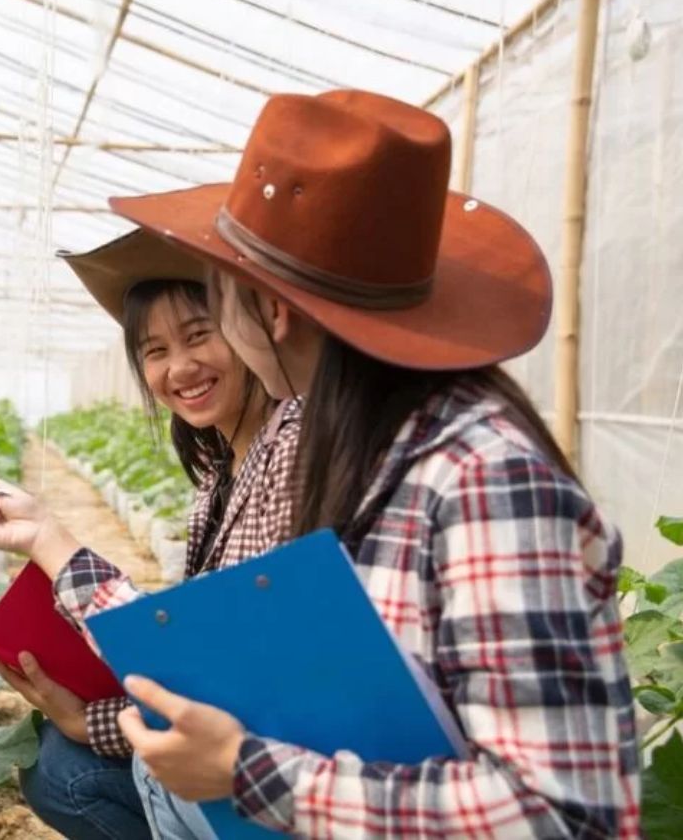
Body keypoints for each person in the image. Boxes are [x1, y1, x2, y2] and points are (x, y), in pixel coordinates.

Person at [78, 89, 638, 838]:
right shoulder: (371, 449)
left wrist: (247, 771)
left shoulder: (485, 480)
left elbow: (557, 814)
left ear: (269, 313)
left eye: (218, 302)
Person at [0, 230, 301, 840]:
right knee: (59, 768)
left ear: (253, 327)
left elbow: (205, 674)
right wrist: (79, 718)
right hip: (243, 738)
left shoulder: (293, 451)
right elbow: (197, 656)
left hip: (279, 770)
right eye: (155, 351)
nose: (180, 368)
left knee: (77, 768)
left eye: (199, 335)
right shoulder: (218, 479)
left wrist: (49, 538)